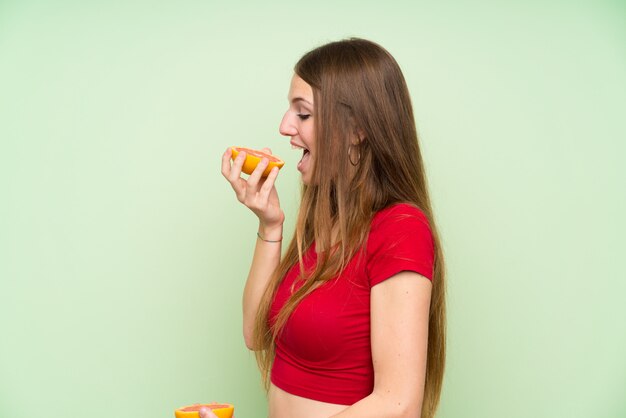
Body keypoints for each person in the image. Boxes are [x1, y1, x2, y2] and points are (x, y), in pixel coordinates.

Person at [206, 38, 446, 418]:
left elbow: (399, 404)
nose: (285, 126)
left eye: (303, 114)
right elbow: (255, 334)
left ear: (357, 130)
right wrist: (271, 224)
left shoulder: (401, 229)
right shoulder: (325, 224)